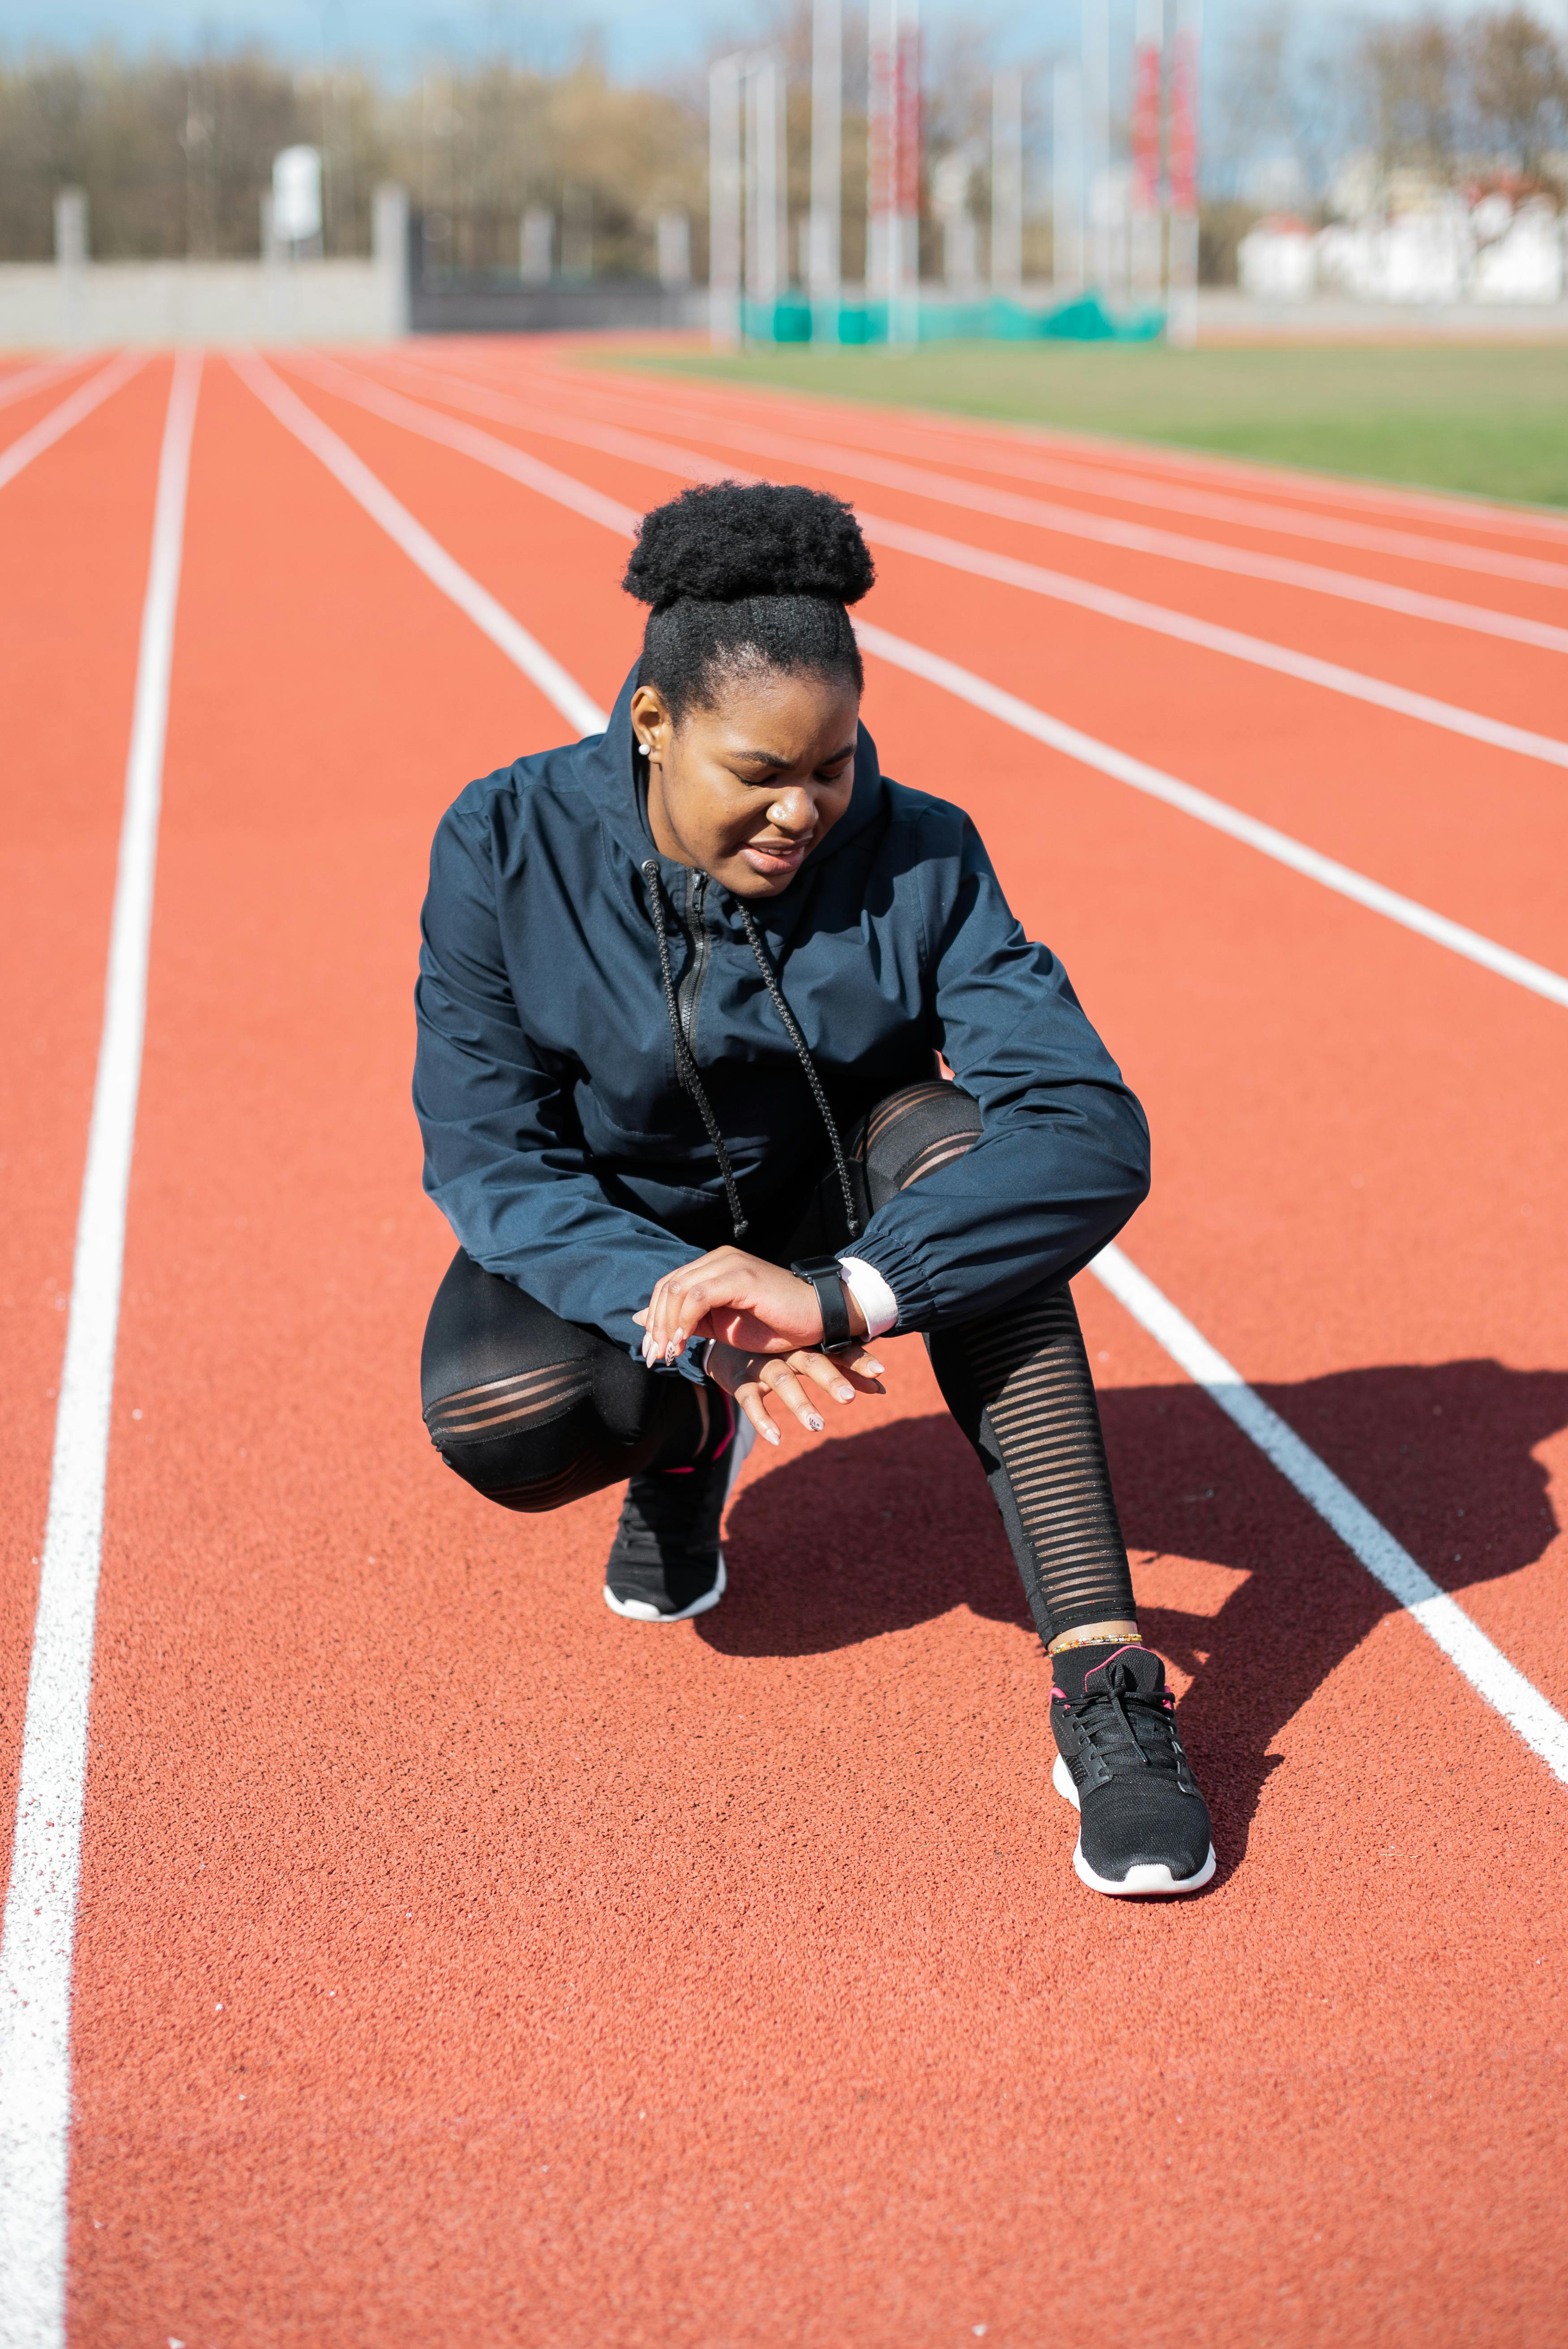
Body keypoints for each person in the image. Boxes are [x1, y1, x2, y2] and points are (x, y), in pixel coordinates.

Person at [414, 482, 1214, 1899]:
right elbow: (491, 1153)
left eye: (833, 765)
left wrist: (846, 1287)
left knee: (983, 1169)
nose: (804, 809)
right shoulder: (503, 843)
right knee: (503, 1414)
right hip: (636, 1225)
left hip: (852, 1199)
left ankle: (1105, 1678)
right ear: (652, 726)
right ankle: (680, 1448)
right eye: (760, 772)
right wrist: (678, 1307)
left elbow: (1088, 1122)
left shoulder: (922, 848)